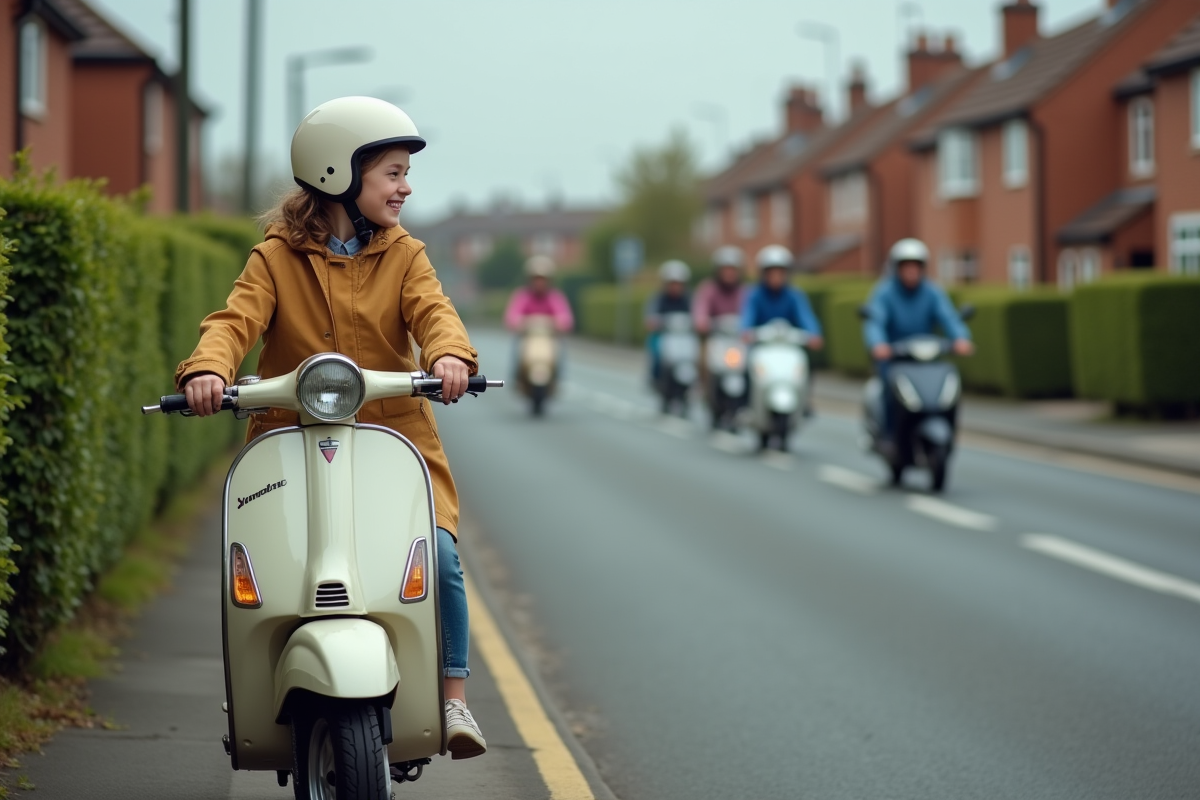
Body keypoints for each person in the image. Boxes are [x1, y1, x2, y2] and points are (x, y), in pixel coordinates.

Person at [174, 96, 487, 760]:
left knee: (441, 555)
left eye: (405, 174)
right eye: (393, 173)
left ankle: (453, 694)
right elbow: (234, 320)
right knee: (260, 564)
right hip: (291, 446)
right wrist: (207, 368)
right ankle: (257, 688)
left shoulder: (407, 256)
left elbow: (434, 312)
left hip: (391, 446)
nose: (406, 187)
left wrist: (450, 355)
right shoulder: (275, 258)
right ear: (339, 173)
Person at [864, 237, 974, 441]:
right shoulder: (885, 293)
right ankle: (889, 436)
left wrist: (961, 338)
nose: (912, 272)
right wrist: (878, 344)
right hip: (895, 357)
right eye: (907, 267)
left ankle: (948, 431)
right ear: (897, 269)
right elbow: (875, 321)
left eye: (916, 267)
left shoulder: (932, 292)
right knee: (890, 389)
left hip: (925, 359)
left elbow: (948, 317)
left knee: (946, 385)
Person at [740, 245, 824, 348]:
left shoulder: (795, 295)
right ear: (764, 274)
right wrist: (744, 331)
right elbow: (747, 315)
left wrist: (814, 333)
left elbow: (805, 315)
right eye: (772, 273)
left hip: (788, 345)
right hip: (762, 346)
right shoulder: (754, 295)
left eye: (780, 273)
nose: (776, 277)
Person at [644, 260, 692, 382]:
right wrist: (654, 322)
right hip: (664, 335)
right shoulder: (658, 299)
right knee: (657, 353)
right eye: (672, 283)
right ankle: (656, 377)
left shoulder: (688, 299)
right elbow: (650, 317)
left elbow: (698, 315)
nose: (675, 287)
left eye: (678, 283)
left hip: (684, 337)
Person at [503, 255, 574, 334]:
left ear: (549, 280)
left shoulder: (555, 296)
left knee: (562, 344)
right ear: (529, 279)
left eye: (543, 279)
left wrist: (546, 322)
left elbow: (566, 321)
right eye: (536, 279)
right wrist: (530, 322)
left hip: (551, 340)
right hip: (526, 339)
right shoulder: (522, 295)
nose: (539, 283)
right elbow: (510, 319)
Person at [692, 246, 747, 335]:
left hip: (738, 337)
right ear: (717, 271)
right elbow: (701, 308)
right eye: (725, 269)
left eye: (732, 269)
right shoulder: (708, 289)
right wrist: (701, 321)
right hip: (716, 337)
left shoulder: (744, 291)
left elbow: (750, 312)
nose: (729, 273)